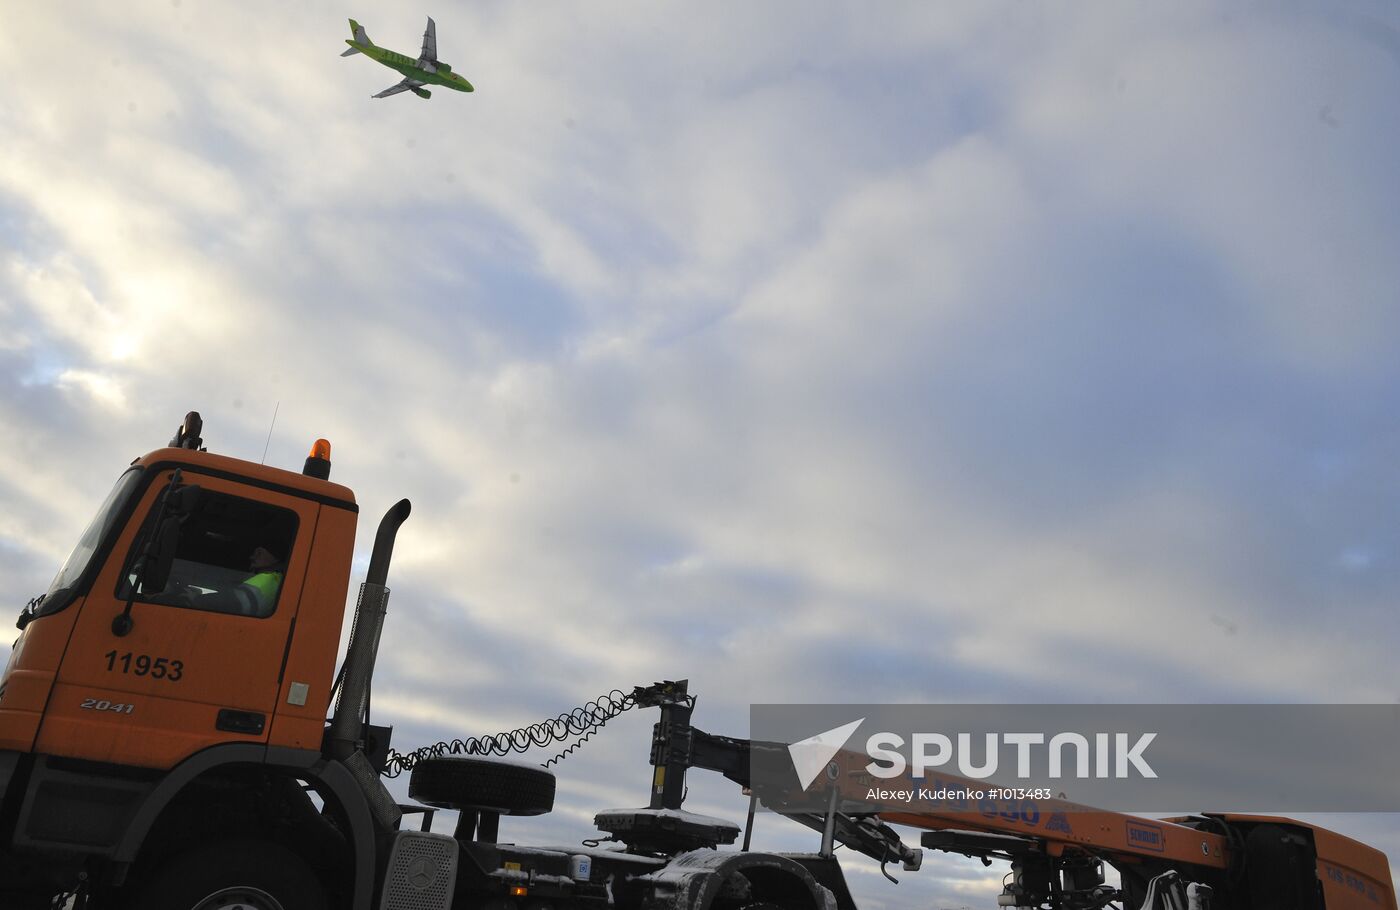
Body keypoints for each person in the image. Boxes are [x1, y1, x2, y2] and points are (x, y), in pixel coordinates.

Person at [236, 544, 285, 615]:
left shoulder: (260, 582)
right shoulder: (280, 579)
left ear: (275, 559)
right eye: (253, 553)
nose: (252, 557)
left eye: (259, 553)